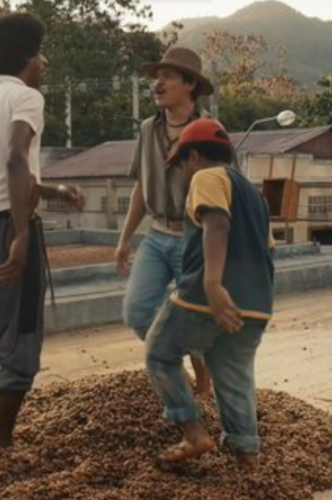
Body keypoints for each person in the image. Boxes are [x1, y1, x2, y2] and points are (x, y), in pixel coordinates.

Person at [0, 12, 83, 451]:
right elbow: (14, 160)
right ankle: (3, 441)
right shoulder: (26, 98)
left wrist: (54, 188)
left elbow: (0, 171)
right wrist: (21, 235)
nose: (45, 62)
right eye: (41, 53)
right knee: (21, 331)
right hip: (6, 226)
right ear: (27, 56)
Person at [143, 118, 275, 467]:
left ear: (194, 157)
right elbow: (267, 249)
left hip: (206, 298)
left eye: (181, 166)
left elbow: (217, 223)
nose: (183, 174)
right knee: (233, 376)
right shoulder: (254, 195)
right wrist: (251, 296)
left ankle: (192, 432)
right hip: (256, 305)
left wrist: (213, 285)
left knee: (159, 353)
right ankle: (247, 454)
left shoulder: (206, 177)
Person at [115, 47, 219, 394]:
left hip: (194, 239)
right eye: (156, 77)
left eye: (168, 76)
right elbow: (142, 187)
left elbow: (222, 196)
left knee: (196, 316)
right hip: (156, 237)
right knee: (137, 311)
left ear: (190, 84)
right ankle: (178, 370)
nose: (157, 83)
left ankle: (203, 373)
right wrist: (125, 238)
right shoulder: (147, 129)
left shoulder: (210, 131)